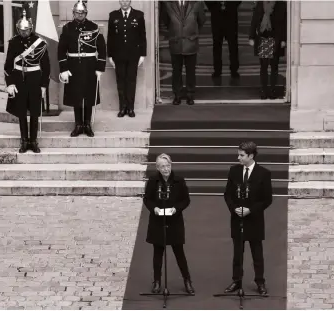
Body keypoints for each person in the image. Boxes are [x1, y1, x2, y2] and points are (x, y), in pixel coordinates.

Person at [223, 141, 273, 295]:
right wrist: (234, 209)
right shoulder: (234, 171)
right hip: (237, 218)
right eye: (238, 154)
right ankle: (236, 281)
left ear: (251, 156)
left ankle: (260, 282)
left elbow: (267, 199)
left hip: (254, 220)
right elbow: (228, 194)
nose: (238, 158)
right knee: (237, 253)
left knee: (257, 253)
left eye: (241, 155)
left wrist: (250, 210)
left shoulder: (264, 173)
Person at [143, 153, 195, 295]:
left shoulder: (179, 180)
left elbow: (186, 200)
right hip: (157, 220)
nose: (166, 169)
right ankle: (157, 281)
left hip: (174, 221)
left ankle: (187, 280)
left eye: (168, 166)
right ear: (158, 168)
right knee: (158, 253)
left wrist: (176, 209)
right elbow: (147, 199)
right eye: (162, 166)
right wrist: (154, 208)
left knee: (179, 253)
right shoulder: (153, 181)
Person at [5, 2, 50, 153]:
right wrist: (10, 83)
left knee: (35, 112)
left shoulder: (40, 43)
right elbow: (7, 66)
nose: (24, 33)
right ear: (18, 30)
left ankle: (33, 141)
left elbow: (46, 67)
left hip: (35, 79)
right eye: (21, 30)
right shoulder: (13, 42)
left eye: (27, 30)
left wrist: (44, 85)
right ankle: (24, 140)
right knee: (21, 111)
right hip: (19, 79)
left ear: (31, 29)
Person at [58, 0, 106, 137]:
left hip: (90, 65)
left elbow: (102, 48)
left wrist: (100, 67)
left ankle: (87, 124)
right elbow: (61, 50)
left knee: (89, 96)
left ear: (86, 13)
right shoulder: (67, 28)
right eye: (77, 12)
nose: (80, 15)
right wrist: (64, 69)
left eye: (82, 12)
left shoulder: (94, 27)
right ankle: (78, 124)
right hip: (73, 65)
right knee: (76, 95)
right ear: (73, 13)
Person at [160, 0, 206, 105]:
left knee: (191, 71)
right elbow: (166, 21)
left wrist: (192, 32)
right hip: (175, 42)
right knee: (176, 71)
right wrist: (175, 32)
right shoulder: (168, 4)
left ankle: (190, 94)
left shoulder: (197, 3)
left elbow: (201, 20)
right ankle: (177, 95)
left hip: (191, 42)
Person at [107, 0, 147, 118]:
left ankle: (130, 108)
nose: (124, 3)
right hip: (118, 55)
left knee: (131, 81)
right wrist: (110, 55)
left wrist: (143, 54)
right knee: (120, 81)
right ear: (120, 1)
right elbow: (110, 37)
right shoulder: (113, 15)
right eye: (122, 0)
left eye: (127, 0)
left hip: (133, 55)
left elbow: (142, 36)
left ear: (130, 1)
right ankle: (122, 107)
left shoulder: (139, 15)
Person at [249, 1, 287, 99]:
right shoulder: (260, 3)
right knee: (263, 66)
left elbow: (284, 23)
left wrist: (283, 39)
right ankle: (264, 90)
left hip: (275, 38)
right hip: (262, 38)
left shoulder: (281, 4)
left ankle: (273, 90)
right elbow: (254, 20)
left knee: (274, 66)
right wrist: (251, 37)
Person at [205, 1, 241, 78]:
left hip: (231, 16)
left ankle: (234, 69)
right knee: (217, 45)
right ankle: (217, 70)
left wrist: (230, 6)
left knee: (233, 45)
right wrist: (214, 7)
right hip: (216, 16)